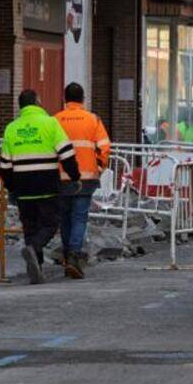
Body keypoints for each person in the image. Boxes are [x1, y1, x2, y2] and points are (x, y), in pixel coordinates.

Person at [0, 89, 80, 285]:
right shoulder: (50, 123)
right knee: (50, 223)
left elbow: (4, 165)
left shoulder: (11, 128)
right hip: (47, 185)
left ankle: (37, 267)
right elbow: (66, 154)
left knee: (30, 226)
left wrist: (12, 188)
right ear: (37, 101)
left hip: (23, 188)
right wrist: (75, 176)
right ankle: (34, 248)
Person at [53, 83, 110, 280]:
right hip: (86, 178)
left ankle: (68, 255)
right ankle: (74, 256)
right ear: (83, 99)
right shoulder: (92, 119)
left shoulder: (55, 120)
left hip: (61, 178)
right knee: (79, 217)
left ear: (65, 99)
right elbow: (104, 147)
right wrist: (100, 168)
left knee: (65, 218)